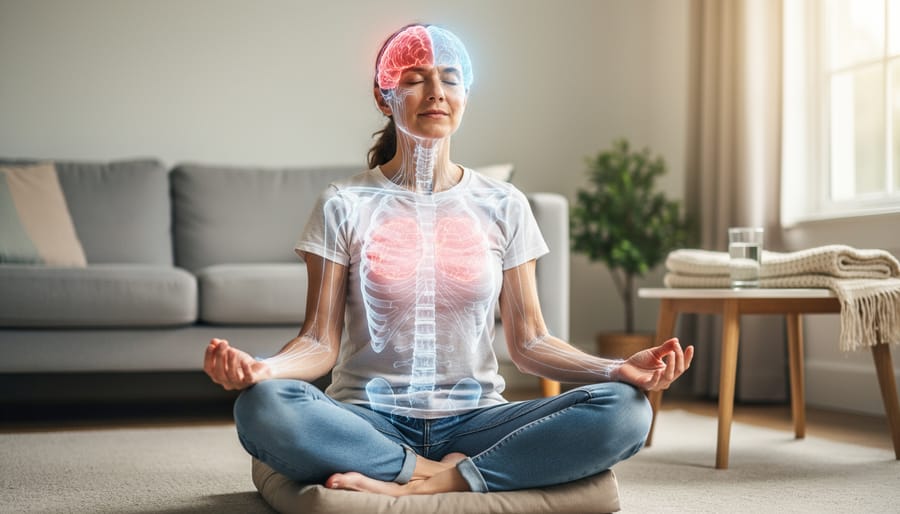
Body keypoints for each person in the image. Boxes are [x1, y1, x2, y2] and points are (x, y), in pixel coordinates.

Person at [203, 23, 694, 497]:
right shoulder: (343, 202)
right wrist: (263, 371)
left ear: (465, 96)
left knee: (628, 410)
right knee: (264, 408)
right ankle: (437, 473)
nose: (435, 91)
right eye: (414, 79)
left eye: (451, 78)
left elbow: (530, 342)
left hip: (477, 420)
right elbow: (317, 342)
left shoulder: (505, 204)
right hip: (368, 419)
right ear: (384, 97)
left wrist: (615, 370)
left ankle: (426, 483)